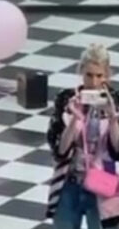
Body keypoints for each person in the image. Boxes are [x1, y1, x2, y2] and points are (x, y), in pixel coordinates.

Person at [45, 44, 119, 229]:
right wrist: (74, 119)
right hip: (69, 183)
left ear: (107, 74)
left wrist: (112, 119)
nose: (94, 82)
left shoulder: (115, 101)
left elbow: (117, 151)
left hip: (102, 185)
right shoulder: (66, 99)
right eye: (89, 75)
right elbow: (60, 151)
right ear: (81, 72)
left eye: (99, 75)